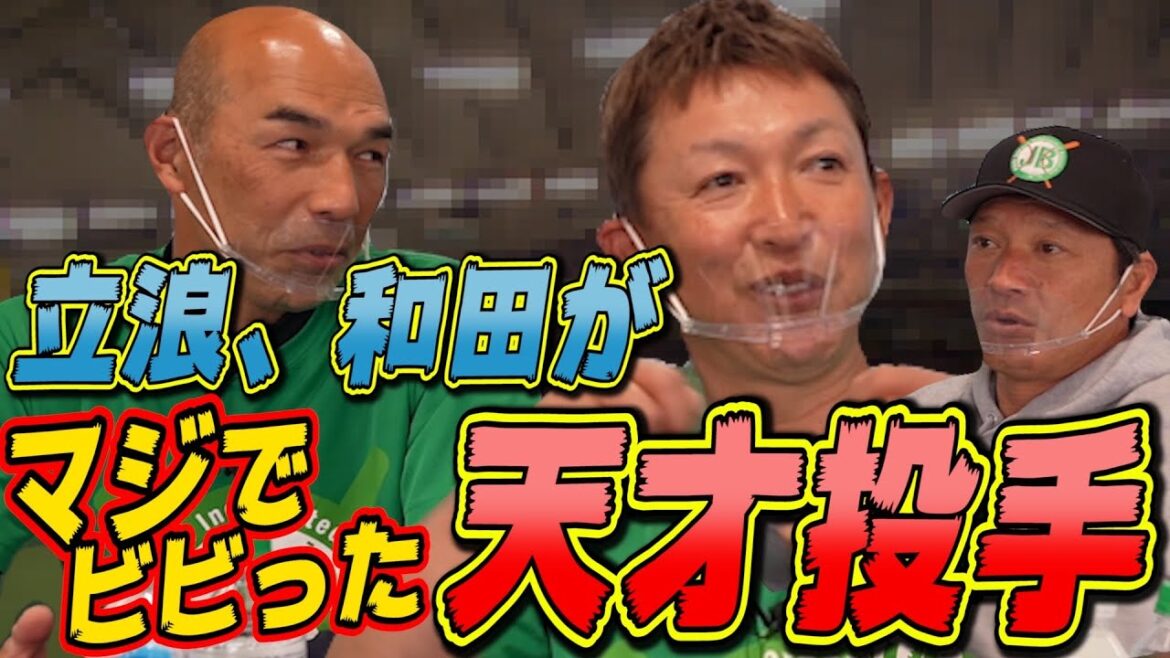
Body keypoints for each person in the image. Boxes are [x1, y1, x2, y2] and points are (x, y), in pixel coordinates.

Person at [0, 7, 537, 657]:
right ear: (174, 157)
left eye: (370, 154)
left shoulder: (451, 326)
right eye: (293, 145)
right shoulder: (38, 346)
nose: (343, 199)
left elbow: (486, 612)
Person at [536, 0, 948, 655]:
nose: (785, 223)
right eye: (722, 179)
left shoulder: (1018, 462)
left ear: (880, 208)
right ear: (635, 255)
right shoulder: (571, 498)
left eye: (822, 164)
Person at [910, 125, 1169, 657]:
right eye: (986, 243)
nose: (1003, 278)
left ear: (1134, 282)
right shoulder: (917, 423)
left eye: (1049, 248)